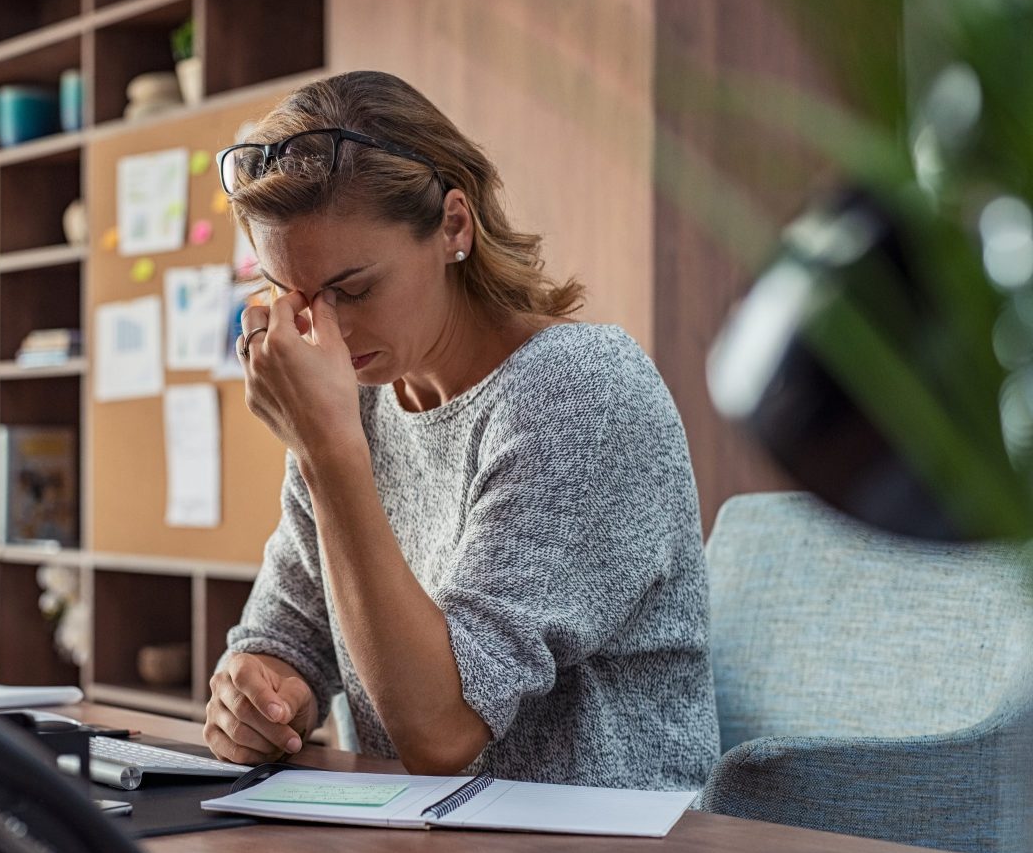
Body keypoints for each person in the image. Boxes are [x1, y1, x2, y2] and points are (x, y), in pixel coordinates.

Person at [204, 70, 718, 788]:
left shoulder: (580, 392)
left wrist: (327, 451)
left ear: (454, 225)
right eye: (295, 296)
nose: (326, 330)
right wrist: (257, 692)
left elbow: (442, 730)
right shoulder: (357, 403)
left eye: (354, 289)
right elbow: (287, 632)